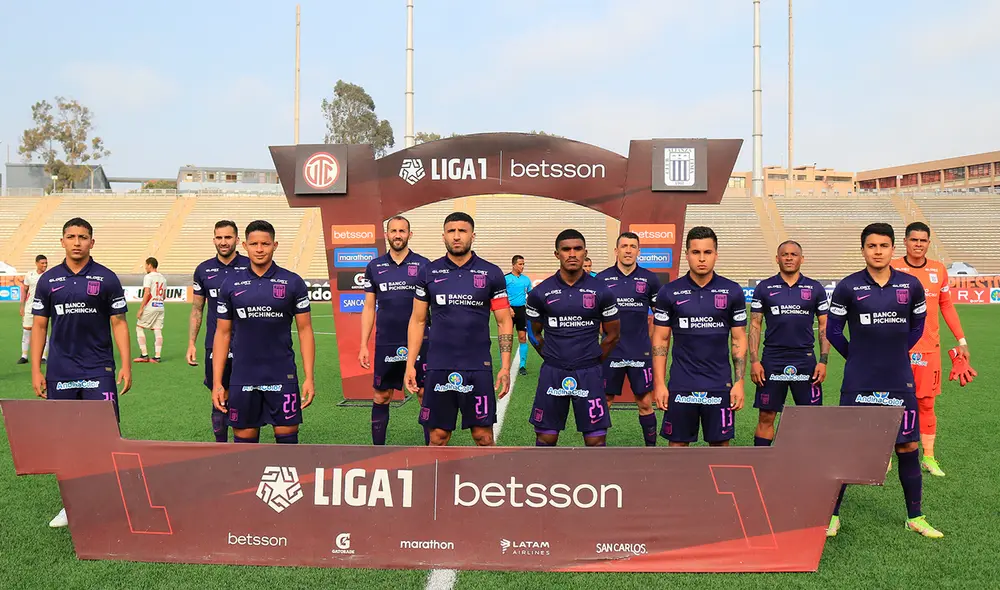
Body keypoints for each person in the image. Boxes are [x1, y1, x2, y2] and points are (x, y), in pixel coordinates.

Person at [826, 222, 941, 539]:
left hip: (898, 378)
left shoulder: (910, 286)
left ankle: (915, 517)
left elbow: (918, 325)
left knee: (908, 445)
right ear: (863, 250)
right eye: (872, 246)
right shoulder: (848, 287)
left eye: (884, 246)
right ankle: (832, 515)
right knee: (847, 448)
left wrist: (896, 352)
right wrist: (858, 356)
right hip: (859, 380)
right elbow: (833, 331)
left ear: (893, 249)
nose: (878, 251)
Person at [30, 217, 132, 528]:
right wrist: (36, 369)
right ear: (62, 241)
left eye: (83, 237)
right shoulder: (48, 281)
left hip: (99, 369)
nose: (77, 242)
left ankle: (107, 500)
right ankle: (71, 504)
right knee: (67, 439)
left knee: (104, 435)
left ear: (92, 242)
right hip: (60, 370)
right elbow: (39, 326)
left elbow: (118, 322)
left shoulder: (107, 278)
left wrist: (127, 364)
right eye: (71, 236)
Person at [405, 212, 513, 447]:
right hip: (438, 366)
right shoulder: (429, 272)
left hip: (478, 366)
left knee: (483, 436)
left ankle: (488, 484)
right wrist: (410, 364)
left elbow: (504, 320)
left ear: (473, 235)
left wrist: (505, 367)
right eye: (451, 231)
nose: (456, 236)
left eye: (462, 231)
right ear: (443, 235)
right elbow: (418, 320)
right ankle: (438, 484)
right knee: (437, 437)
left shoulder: (491, 273)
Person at [212, 220, 315, 445]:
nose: (260, 249)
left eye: (265, 244)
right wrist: (218, 382)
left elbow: (305, 330)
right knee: (245, 453)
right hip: (243, 377)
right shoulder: (230, 284)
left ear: (275, 245)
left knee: (288, 449)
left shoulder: (292, 282)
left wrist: (309, 377)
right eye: (254, 244)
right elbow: (222, 334)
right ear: (245, 246)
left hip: (282, 375)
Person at [890, 221, 973, 477]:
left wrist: (961, 340)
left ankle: (928, 457)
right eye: (913, 240)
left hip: (928, 350)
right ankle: (885, 457)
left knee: (926, 403)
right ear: (905, 242)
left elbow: (946, 306)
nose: (918, 244)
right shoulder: (892, 267)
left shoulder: (938, 270)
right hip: (895, 350)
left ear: (928, 243)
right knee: (889, 403)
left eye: (922, 240)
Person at [651, 226, 747, 447]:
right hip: (681, 384)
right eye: (696, 252)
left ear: (716, 254)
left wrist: (739, 383)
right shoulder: (669, 292)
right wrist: (659, 383)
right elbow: (660, 340)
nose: (702, 259)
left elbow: (738, 339)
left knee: (720, 447)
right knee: (677, 446)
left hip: (719, 384)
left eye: (707, 252)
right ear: (686, 255)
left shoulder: (731, 291)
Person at [527, 229, 620, 447]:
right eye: (566, 249)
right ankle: (545, 481)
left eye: (577, 249)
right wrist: (551, 356)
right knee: (546, 437)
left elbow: (613, 334)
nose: (572, 254)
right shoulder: (540, 292)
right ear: (556, 253)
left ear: (585, 253)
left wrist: (594, 360)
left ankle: (595, 481)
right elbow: (534, 333)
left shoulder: (601, 290)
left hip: (589, 371)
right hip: (553, 371)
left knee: (595, 439)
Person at [749, 240, 830, 446]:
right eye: (784, 254)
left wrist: (823, 360)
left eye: (793, 254)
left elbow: (824, 327)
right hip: (772, 360)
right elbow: (755, 325)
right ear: (777, 258)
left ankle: (807, 465)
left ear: (802, 259)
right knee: (767, 416)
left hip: (805, 359)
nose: (789, 258)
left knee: (810, 417)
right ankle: (761, 464)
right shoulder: (764, 287)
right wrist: (755, 361)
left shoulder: (815, 288)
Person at [359, 215, 431, 445]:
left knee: (423, 394)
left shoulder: (424, 265)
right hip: (387, 341)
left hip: (420, 342)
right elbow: (369, 307)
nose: (398, 235)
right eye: (393, 231)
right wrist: (363, 345)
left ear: (410, 234)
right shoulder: (374, 267)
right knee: (381, 396)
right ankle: (376, 450)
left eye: (402, 231)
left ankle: (433, 449)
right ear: (386, 235)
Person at [595, 231, 662, 446]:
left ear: (638, 251)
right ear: (616, 250)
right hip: (610, 351)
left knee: (644, 402)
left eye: (633, 246)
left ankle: (651, 449)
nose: (628, 250)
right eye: (624, 246)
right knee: (605, 400)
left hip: (639, 350)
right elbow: (594, 316)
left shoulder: (650, 279)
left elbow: (660, 317)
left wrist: (652, 340)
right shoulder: (602, 279)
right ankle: (598, 448)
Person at [187, 220, 250, 443]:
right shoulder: (203, 270)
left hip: (246, 344)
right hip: (214, 344)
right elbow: (197, 309)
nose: (223, 242)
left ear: (237, 239)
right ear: (214, 239)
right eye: (219, 238)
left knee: (244, 396)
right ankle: (221, 447)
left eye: (228, 237)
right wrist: (192, 343)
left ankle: (243, 445)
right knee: (218, 395)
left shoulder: (251, 264)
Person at [134, 257, 166, 363]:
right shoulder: (163, 278)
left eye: (146, 265)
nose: (145, 267)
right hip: (160, 305)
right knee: (157, 329)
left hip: (151, 306)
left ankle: (144, 355)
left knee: (139, 327)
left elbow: (147, 293)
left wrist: (141, 308)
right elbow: (164, 296)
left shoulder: (148, 277)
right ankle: (157, 356)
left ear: (150, 265)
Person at [505, 255, 533, 376]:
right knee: (507, 340)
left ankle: (522, 365)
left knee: (522, 337)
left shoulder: (526, 279)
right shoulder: (506, 278)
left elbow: (531, 295)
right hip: (508, 310)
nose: (522, 266)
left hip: (522, 310)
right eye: (520, 264)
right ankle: (505, 366)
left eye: (523, 264)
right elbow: (501, 295)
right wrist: (508, 308)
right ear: (513, 264)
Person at [18, 254, 49, 364]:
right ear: (36, 263)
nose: (45, 265)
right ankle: (24, 356)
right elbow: (24, 290)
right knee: (26, 331)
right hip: (29, 307)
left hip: (43, 307)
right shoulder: (29, 275)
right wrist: (22, 306)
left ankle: (44, 357)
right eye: (42, 263)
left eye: (46, 263)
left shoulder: (48, 276)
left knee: (43, 331)